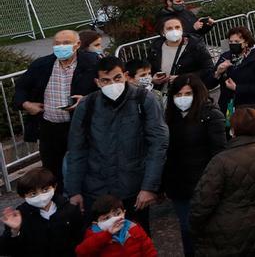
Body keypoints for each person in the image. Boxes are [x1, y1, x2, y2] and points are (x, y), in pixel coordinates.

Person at [65, 56, 168, 234]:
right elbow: (76, 150)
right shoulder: (87, 106)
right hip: (97, 192)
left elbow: (158, 145)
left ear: (126, 75)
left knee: (136, 242)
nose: (112, 84)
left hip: (133, 191)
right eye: (106, 80)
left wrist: (149, 187)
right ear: (97, 82)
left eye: (117, 78)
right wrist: (74, 191)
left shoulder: (144, 100)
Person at [189, 107, 255, 257]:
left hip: (224, 235)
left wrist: (195, 228)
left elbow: (203, 203)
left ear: (233, 129)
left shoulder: (221, 161)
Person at [12, 29, 99, 182]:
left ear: (77, 44)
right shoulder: (41, 65)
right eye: (57, 44)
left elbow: (106, 89)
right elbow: (21, 88)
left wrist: (86, 100)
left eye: (66, 43)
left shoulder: (93, 64)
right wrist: (26, 104)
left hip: (80, 127)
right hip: (49, 129)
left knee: (84, 168)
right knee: (52, 171)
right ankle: (59, 202)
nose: (61, 47)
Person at [162, 75, 225, 257]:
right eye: (179, 94)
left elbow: (218, 154)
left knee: (208, 232)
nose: (183, 97)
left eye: (188, 93)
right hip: (179, 187)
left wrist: (215, 185)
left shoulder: (211, 115)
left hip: (205, 186)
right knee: (187, 230)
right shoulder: (170, 117)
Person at [0, 167, 86, 256]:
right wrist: (14, 231)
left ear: (54, 187)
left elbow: (81, 240)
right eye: (33, 193)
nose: (40, 196)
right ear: (23, 196)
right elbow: (6, 250)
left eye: (45, 190)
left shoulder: (69, 210)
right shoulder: (19, 216)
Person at [211, 27, 255, 119]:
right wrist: (218, 72)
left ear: (246, 42)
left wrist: (237, 88)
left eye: (237, 42)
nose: (233, 44)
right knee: (230, 131)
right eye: (231, 42)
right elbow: (210, 83)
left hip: (250, 108)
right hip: (229, 106)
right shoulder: (225, 57)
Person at [147, 17, 215, 92]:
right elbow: (148, 69)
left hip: (190, 92)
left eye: (177, 27)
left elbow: (208, 69)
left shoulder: (195, 46)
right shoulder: (155, 48)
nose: (174, 30)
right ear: (162, 32)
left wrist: (183, 78)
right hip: (164, 94)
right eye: (169, 28)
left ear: (182, 28)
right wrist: (152, 79)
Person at [75, 195, 156, 257]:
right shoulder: (93, 234)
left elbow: (148, 249)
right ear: (96, 223)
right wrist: (107, 234)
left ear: (124, 212)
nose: (114, 219)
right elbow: (81, 252)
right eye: (107, 218)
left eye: (117, 213)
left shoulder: (133, 228)